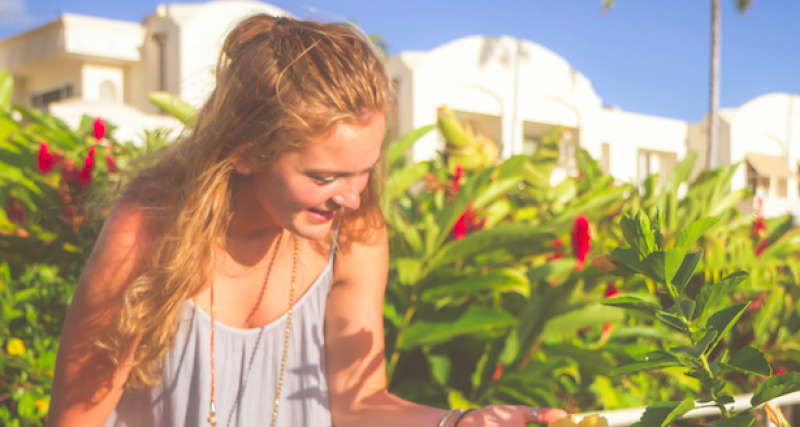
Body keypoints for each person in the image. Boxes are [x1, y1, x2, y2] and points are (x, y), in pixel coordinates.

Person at [47, 14, 568, 427]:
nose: (351, 196)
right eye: (324, 177)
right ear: (244, 151)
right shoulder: (147, 232)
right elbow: (76, 419)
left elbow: (358, 404)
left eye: (364, 170)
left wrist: (461, 423)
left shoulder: (356, 237)